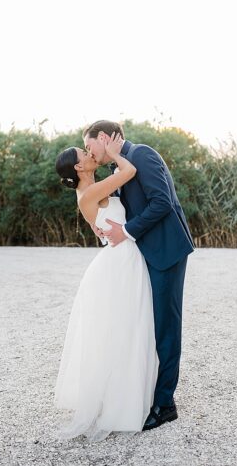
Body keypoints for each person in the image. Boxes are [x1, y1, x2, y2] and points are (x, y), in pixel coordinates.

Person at [82, 120, 193, 430]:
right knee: (149, 326)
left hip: (166, 251)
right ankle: (149, 393)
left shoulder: (143, 154)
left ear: (103, 138)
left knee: (166, 327)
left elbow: (163, 203)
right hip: (144, 255)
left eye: (91, 146)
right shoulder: (120, 168)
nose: (91, 152)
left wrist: (126, 231)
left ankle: (165, 404)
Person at [53, 132, 158, 441]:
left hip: (119, 259)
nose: (89, 155)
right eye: (83, 154)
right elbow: (129, 172)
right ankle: (122, 405)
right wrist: (114, 152)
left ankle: (127, 397)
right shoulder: (91, 191)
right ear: (78, 169)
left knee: (123, 331)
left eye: (88, 149)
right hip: (120, 262)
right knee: (127, 330)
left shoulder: (90, 189)